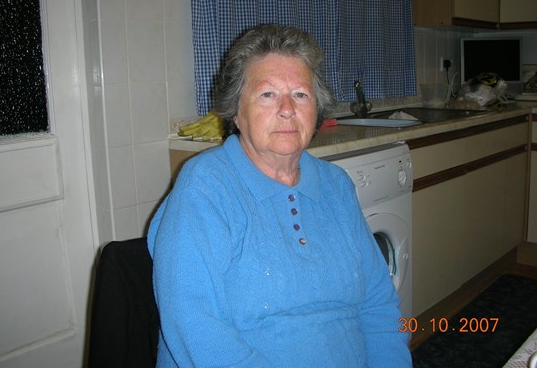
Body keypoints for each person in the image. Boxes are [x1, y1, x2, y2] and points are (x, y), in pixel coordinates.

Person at [147, 24, 411, 367]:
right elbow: (195, 329)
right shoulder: (206, 187)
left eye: (300, 94)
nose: (287, 109)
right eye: (268, 94)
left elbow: (379, 303)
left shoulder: (335, 185)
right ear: (236, 112)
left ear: (316, 109)